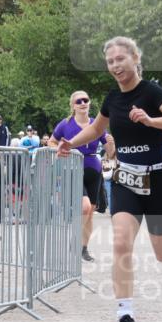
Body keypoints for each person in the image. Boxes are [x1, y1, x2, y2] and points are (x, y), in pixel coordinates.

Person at [56, 36, 162, 322]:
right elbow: (96, 129)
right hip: (126, 182)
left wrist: (150, 120)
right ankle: (125, 316)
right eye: (110, 61)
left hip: (159, 182)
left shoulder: (152, 92)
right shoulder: (112, 99)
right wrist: (71, 143)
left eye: (120, 59)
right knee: (121, 245)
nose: (115, 66)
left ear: (135, 58)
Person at [49, 90, 108, 262]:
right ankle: (75, 240)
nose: (83, 103)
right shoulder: (65, 124)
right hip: (73, 169)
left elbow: (109, 148)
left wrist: (111, 146)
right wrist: (58, 150)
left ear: (89, 103)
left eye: (85, 100)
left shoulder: (96, 124)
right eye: (78, 101)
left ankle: (83, 249)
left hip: (94, 170)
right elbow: (52, 141)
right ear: (73, 106)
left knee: (90, 213)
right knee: (85, 207)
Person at [101, 138, 118, 215]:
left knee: (110, 195)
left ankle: (112, 211)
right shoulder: (114, 154)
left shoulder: (105, 155)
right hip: (113, 176)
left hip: (110, 177)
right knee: (112, 195)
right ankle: (113, 210)